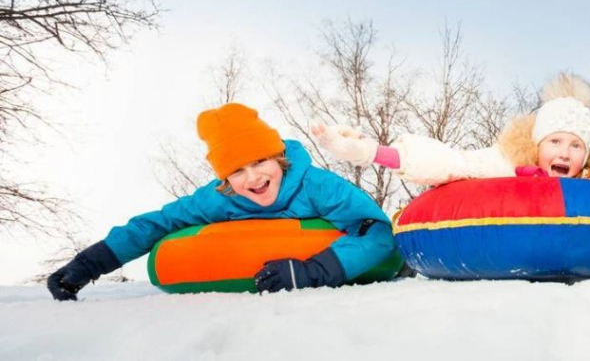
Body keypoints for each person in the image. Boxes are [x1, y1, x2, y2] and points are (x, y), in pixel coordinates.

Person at [311, 73, 590, 231]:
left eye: (575, 145)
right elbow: (450, 162)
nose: (565, 151)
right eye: (556, 141)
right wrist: (373, 151)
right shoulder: (505, 163)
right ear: (538, 144)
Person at [47, 103, 397, 301]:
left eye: (260, 162)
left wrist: (310, 271)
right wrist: (87, 265)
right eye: (237, 170)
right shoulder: (219, 199)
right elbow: (156, 224)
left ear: (279, 158)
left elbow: (377, 232)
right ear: (224, 179)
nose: (253, 178)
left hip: (344, 267)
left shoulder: (319, 186)